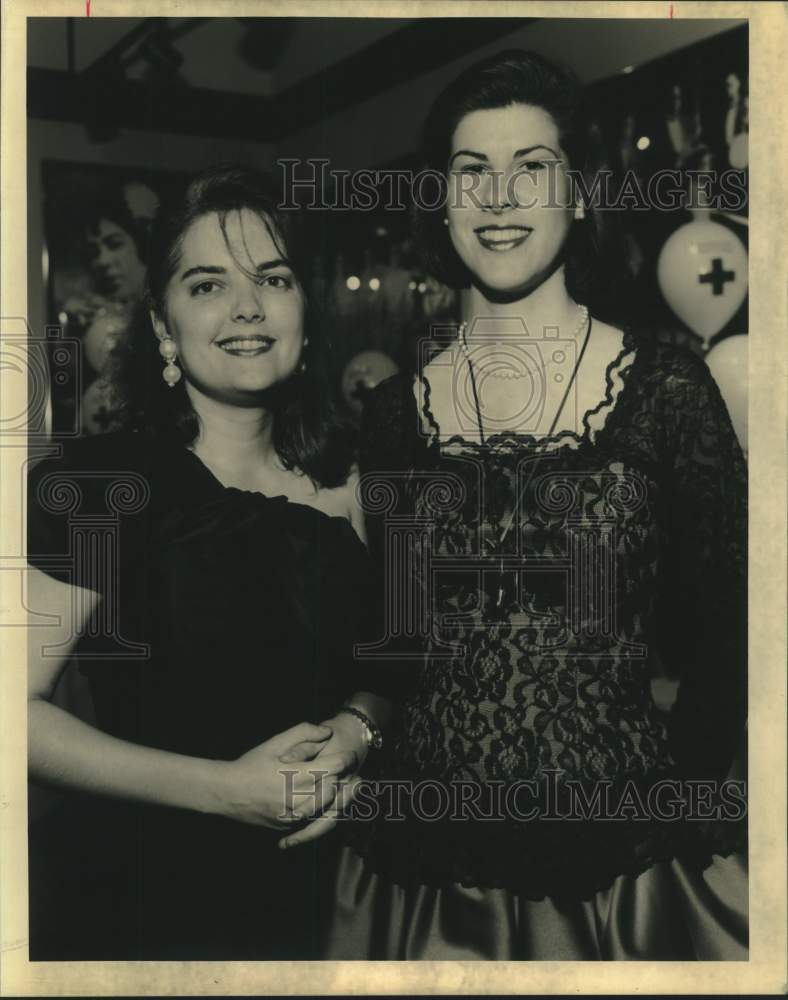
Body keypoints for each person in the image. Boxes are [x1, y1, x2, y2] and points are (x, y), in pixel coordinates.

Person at [298, 50, 748, 960]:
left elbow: (733, 638)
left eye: (531, 169)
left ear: (578, 194)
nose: (500, 198)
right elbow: (395, 647)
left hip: (617, 885)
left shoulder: (667, 389)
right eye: (473, 173)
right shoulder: (389, 417)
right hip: (416, 882)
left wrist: (677, 810)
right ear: (443, 200)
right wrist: (351, 727)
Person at [27, 166, 387, 960]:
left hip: (334, 899)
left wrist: (359, 734)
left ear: (304, 313)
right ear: (162, 328)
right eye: (207, 285)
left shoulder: (358, 481)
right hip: (149, 902)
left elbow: (391, 669)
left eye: (273, 278)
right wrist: (225, 794)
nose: (247, 307)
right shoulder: (95, 484)